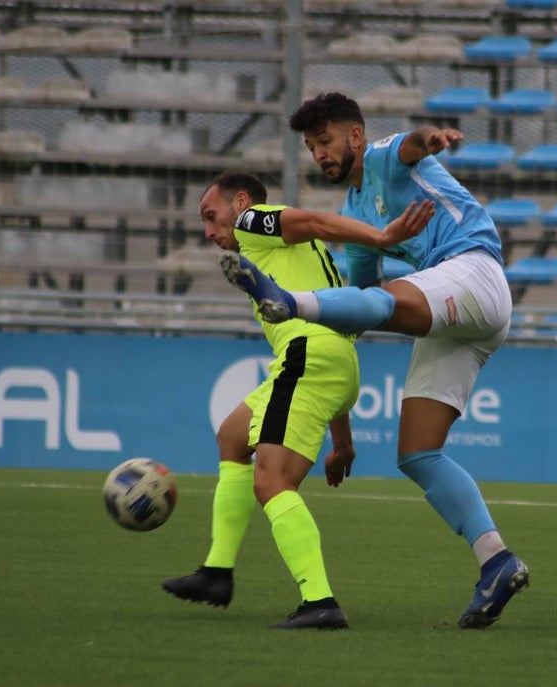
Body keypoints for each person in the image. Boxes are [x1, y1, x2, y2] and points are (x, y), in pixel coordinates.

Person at [219, 92, 530, 629]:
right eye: (312, 147)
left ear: (355, 137)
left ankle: (288, 303)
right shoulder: (356, 213)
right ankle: (497, 561)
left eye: (325, 141)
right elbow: (357, 311)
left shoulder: (386, 154)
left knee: (384, 298)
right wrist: (343, 436)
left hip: (473, 271)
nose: (319, 154)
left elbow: (411, 146)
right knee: (417, 453)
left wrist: (430, 139)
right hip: (457, 314)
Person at [162, 171, 432, 629]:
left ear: (241, 202)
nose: (209, 232)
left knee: (271, 483)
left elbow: (316, 221)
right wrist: (342, 442)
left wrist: (382, 236)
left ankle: (320, 602)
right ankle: (216, 572)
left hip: (310, 356)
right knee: (232, 437)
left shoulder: (252, 222)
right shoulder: (278, 252)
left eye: (212, 216)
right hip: (329, 359)